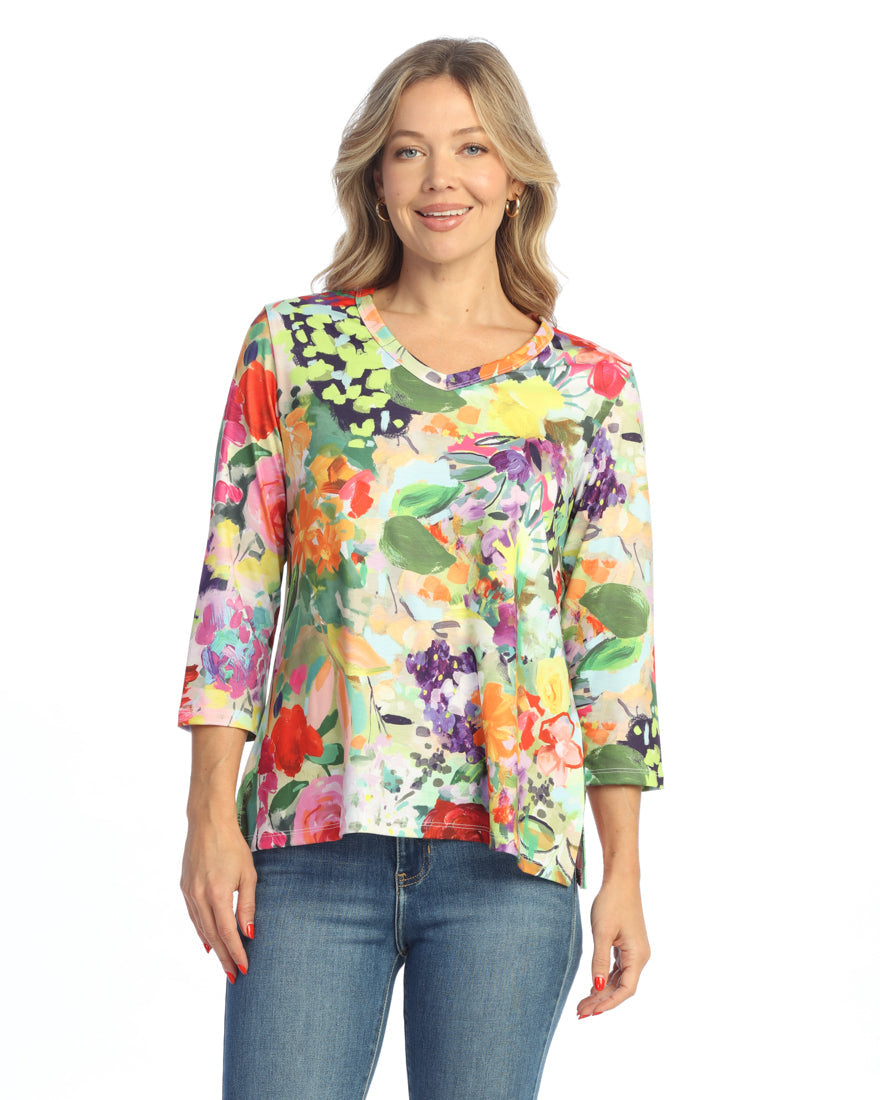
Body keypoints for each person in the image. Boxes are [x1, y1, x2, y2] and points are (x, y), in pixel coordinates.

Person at [179, 36, 662, 1100]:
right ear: (377, 178)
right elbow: (236, 594)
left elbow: (612, 648)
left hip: (511, 858)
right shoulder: (295, 350)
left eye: (471, 148)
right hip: (311, 842)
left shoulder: (589, 388)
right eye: (409, 151)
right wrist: (208, 815)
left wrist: (623, 869)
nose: (441, 178)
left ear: (515, 175)